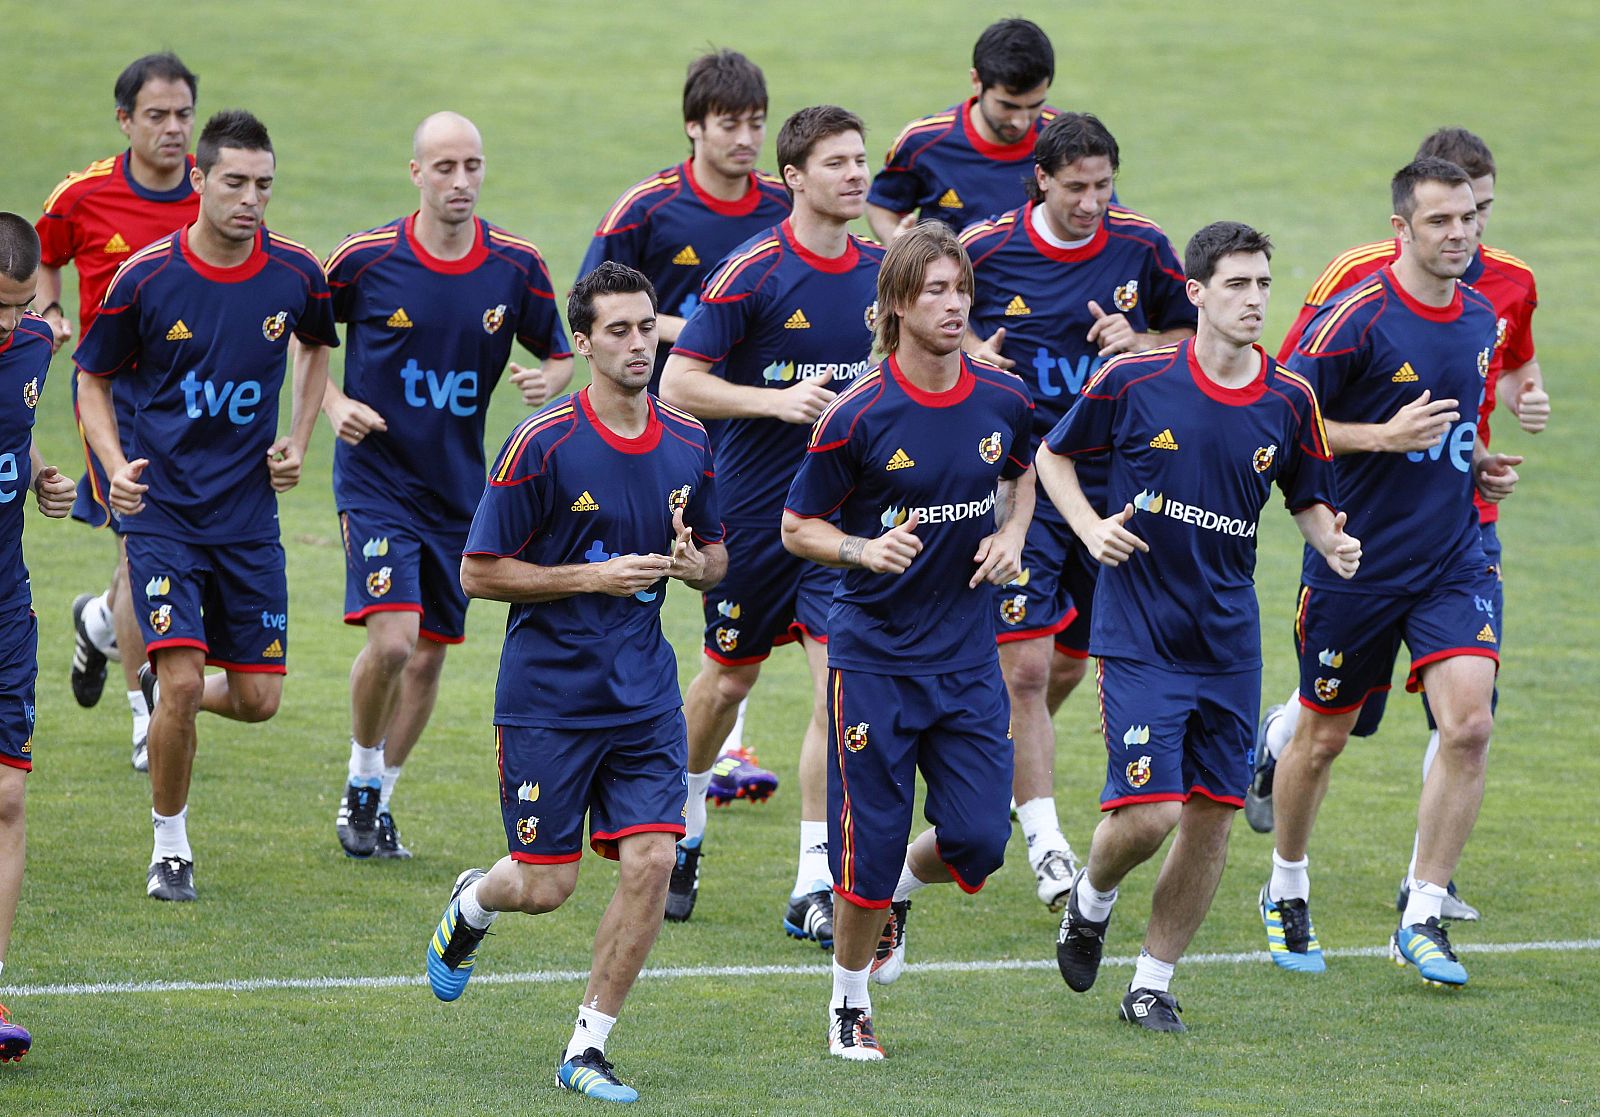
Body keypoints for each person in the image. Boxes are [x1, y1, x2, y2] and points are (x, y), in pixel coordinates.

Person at [1038, 222, 1357, 1031]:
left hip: (1227, 640)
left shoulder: (1289, 397)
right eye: (1238, 285)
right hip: (1140, 630)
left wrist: (1333, 538)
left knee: (1212, 814)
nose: (1254, 300)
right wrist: (1086, 527)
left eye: (1263, 285)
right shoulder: (1136, 378)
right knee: (1150, 813)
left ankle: (1151, 982)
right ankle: (1092, 893)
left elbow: (1308, 496)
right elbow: (1054, 456)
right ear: (1198, 292)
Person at [425, 261, 726, 1104]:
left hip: (644, 696)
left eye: (647, 327)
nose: (638, 345)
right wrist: (589, 579)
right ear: (584, 343)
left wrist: (694, 564)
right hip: (548, 699)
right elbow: (478, 573)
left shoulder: (690, 439)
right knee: (545, 885)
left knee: (654, 859)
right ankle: (476, 902)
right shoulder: (543, 444)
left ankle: (587, 1047)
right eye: (619, 332)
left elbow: (715, 554)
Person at [1248, 128, 1546, 923]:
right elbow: (1283, 416)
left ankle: (1422, 907)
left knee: (1471, 723)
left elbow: (1452, 415)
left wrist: (1475, 457)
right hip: (1356, 559)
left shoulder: (1483, 315)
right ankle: (1285, 881)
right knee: (1324, 737)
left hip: (1454, 552)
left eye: (1469, 220)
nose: (1460, 234)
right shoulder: (1355, 316)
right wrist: (1384, 438)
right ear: (1401, 230)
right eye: (1442, 221)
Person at [781, 222, 1034, 1059]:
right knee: (867, 843)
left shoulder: (1002, 397)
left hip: (965, 658)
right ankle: (848, 1005)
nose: (955, 303)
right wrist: (861, 548)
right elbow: (796, 526)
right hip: (875, 659)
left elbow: (1022, 471)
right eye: (935, 290)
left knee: (979, 840)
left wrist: (1014, 536)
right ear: (895, 304)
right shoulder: (857, 412)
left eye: (961, 288)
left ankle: (893, 894)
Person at [74, 110, 338, 902]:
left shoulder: (296, 273)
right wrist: (115, 466)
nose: (251, 198)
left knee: (259, 700)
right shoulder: (148, 278)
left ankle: (142, 676)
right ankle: (171, 848)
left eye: (263, 184)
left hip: (248, 517)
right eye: (234, 182)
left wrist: (296, 436)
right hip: (161, 513)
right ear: (198, 179)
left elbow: (318, 343)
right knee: (184, 683)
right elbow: (91, 378)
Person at [316, 111, 572, 860]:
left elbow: (559, 353)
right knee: (392, 641)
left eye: (473, 166)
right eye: (446, 168)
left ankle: (378, 799)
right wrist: (333, 405)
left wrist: (545, 380)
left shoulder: (515, 266)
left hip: (461, 492)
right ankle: (361, 774)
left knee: (429, 654)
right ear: (416, 173)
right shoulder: (364, 261)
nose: (462, 182)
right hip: (377, 482)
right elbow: (305, 340)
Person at [659, 105, 884, 942]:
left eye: (861, 160)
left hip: (836, 524)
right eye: (837, 163)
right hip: (751, 520)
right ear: (794, 177)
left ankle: (812, 880)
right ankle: (681, 824)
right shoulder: (751, 271)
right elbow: (679, 382)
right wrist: (776, 401)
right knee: (727, 681)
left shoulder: (882, 270)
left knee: (841, 683)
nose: (856, 175)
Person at [959, 112, 1195, 910]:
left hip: (1116, 488)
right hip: (1025, 482)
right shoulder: (986, 249)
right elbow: (907, 327)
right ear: (1041, 182)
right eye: (1077, 188)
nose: (1093, 202)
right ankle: (1047, 843)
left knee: (1069, 663)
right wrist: (965, 353)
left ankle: (1005, 770)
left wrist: (1143, 339)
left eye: (1104, 185)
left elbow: (1194, 339)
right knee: (1024, 667)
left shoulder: (1141, 246)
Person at [578, 48, 791, 799]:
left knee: (722, 570)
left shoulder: (781, 207)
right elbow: (590, 300)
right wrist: (688, 328)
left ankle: (720, 750)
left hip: (754, 421)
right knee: (650, 574)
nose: (745, 139)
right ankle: (629, 734)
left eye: (756, 124)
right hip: (668, 411)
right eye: (730, 124)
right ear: (693, 127)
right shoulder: (647, 209)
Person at [35, 52, 201, 770]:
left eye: (184, 114)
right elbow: (47, 252)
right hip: (113, 393)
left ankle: (99, 621)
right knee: (140, 549)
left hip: (194, 400)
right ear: (124, 119)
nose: (173, 129)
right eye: (157, 115)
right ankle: (145, 712)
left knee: (151, 551)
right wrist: (49, 306)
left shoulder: (212, 187)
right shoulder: (83, 195)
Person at [0, 214, 80, 1063]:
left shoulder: (32, 348)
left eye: (19, 305)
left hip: (4, 607)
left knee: (8, 797)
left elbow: (11, 439)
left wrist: (40, 476)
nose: (6, 321)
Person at [866, 18, 1058, 242]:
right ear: (976, 81)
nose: (1021, 121)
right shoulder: (923, 142)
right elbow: (882, 205)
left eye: (1034, 106)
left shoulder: (1067, 141)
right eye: (1008, 106)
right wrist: (898, 246)